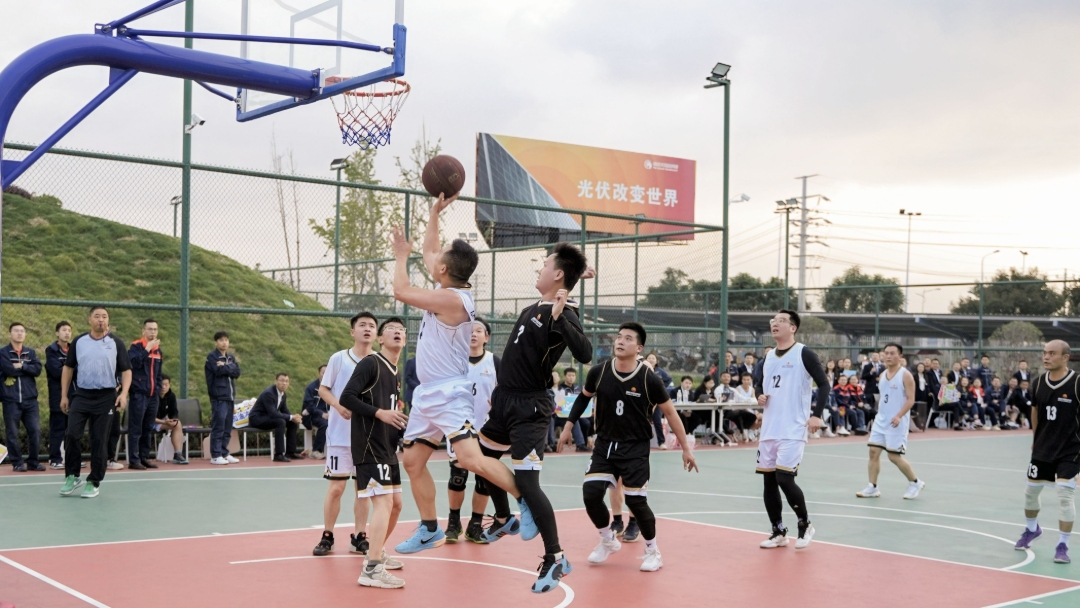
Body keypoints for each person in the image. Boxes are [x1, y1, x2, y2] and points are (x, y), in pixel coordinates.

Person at [389, 195, 541, 584]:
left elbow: (401, 290)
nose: (433, 258)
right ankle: (429, 528)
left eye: (438, 259)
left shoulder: (452, 299)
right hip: (427, 394)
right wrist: (434, 213)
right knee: (412, 462)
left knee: (471, 459)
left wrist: (400, 256)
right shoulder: (446, 284)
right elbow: (430, 251)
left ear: (444, 270)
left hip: (449, 393)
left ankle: (526, 504)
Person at [475, 240, 594, 593]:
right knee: (478, 461)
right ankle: (503, 517)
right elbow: (567, 278)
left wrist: (561, 316)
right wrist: (577, 276)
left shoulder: (563, 313)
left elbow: (585, 353)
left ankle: (555, 556)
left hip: (530, 407)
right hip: (505, 401)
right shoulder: (535, 305)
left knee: (528, 484)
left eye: (544, 265)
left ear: (557, 275)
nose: (539, 269)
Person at [559, 322, 698, 572]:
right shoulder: (599, 372)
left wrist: (686, 448)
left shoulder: (648, 379)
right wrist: (569, 425)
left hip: (635, 447)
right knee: (590, 493)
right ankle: (607, 539)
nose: (620, 341)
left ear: (639, 348)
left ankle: (653, 551)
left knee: (636, 502)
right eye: (619, 337)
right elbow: (583, 398)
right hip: (605, 444)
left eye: (628, 338)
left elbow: (670, 413)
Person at [340, 317, 409, 588]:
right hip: (369, 444)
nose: (397, 332)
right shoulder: (371, 363)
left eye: (401, 330)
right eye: (391, 329)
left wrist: (401, 432)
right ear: (380, 338)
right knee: (384, 503)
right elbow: (347, 397)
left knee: (396, 504)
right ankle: (372, 569)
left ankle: (376, 552)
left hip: (387, 446)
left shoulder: (395, 371)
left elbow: (391, 411)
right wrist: (379, 413)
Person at [755, 309, 828, 550]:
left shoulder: (803, 353)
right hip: (769, 429)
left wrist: (816, 415)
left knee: (784, 479)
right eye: (773, 320)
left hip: (793, 428)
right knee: (769, 481)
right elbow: (759, 383)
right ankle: (778, 531)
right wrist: (759, 395)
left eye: (781, 321)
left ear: (793, 327)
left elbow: (824, 384)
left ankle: (805, 524)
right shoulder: (768, 357)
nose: (775, 323)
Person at [312, 312, 378, 558]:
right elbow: (323, 389)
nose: (367, 329)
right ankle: (327, 535)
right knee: (337, 488)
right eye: (362, 325)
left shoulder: (379, 362)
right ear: (353, 331)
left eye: (371, 326)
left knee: (363, 489)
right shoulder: (339, 358)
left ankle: (359, 536)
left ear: (376, 333)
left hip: (367, 437)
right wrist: (338, 406)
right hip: (340, 435)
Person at [1015, 340, 1079, 564]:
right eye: (1044, 353)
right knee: (1030, 493)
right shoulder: (1038, 382)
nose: (1046, 357)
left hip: (1071, 450)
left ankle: (1063, 545)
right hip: (1043, 448)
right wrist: (1035, 438)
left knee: (1064, 494)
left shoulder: (1077, 383)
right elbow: (1034, 411)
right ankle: (1032, 529)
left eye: (1052, 353)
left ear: (1065, 357)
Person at [59, 306, 132, 498]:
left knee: (99, 440)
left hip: (106, 397)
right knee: (72, 434)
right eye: (97, 316)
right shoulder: (79, 341)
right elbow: (68, 368)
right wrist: (64, 395)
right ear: (89, 320)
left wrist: (123, 394)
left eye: (105, 316)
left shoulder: (116, 343)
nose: (101, 320)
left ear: (108, 321)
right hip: (82, 395)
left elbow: (126, 370)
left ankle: (94, 481)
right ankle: (72, 476)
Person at [446, 316, 501, 544]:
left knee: (484, 479)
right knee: (458, 477)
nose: (473, 334)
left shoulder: (494, 362)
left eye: (478, 330)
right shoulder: (454, 361)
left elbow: (506, 390)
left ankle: (475, 525)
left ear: (486, 337)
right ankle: (453, 522)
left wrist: (499, 406)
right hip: (458, 425)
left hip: (487, 429)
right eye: (469, 330)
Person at [855, 343, 925, 500]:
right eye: (886, 353)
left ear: (900, 356)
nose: (888, 356)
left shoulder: (905, 375)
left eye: (892, 353)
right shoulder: (882, 374)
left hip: (897, 422)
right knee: (873, 452)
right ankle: (872, 487)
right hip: (881, 421)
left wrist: (899, 415)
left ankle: (915, 482)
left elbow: (911, 400)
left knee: (893, 456)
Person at [1, 322, 44, 471]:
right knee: (12, 433)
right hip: (11, 400)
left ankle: (33, 462)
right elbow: (8, 370)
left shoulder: (30, 352)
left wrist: (22, 366)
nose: (19, 333)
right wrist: (27, 368)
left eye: (22, 331)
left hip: (30, 400)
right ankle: (17, 463)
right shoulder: (3, 352)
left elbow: (37, 370)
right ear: (10, 334)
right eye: (16, 331)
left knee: (35, 431)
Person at [126, 319, 163, 470]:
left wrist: (158, 388)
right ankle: (134, 460)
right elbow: (133, 364)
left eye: (155, 329)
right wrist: (147, 349)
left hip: (153, 395)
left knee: (148, 427)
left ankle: (144, 457)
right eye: (150, 329)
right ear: (143, 331)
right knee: (136, 428)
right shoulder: (136, 346)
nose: (153, 332)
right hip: (139, 394)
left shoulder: (158, 351)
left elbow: (159, 373)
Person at [204, 331, 241, 465]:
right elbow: (218, 371)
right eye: (221, 340)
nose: (224, 342)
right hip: (218, 396)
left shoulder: (230, 357)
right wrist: (230, 368)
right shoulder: (212, 357)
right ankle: (216, 455)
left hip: (230, 397)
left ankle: (224, 452)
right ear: (216, 342)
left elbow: (237, 372)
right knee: (218, 426)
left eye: (226, 340)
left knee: (227, 427)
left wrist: (226, 366)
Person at [249, 373, 303, 462]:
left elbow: (284, 410)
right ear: (275, 381)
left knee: (292, 423)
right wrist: (291, 416)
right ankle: (278, 454)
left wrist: (294, 418)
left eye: (287, 381)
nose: (284, 383)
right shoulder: (268, 393)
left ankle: (290, 452)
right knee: (280, 422)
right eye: (282, 381)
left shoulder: (283, 394)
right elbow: (273, 414)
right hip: (257, 419)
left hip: (268, 418)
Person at [45, 321, 75, 469]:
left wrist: (69, 370)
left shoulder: (74, 350)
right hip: (58, 395)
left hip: (74, 395)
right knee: (57, 428)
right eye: (64, 330)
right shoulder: (51, 351)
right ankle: (55, 459)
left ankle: (71, 458)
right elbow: (56, 372)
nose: (67, 333)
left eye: (69, 330)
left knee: (73, 429)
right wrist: (71, 370)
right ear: (57, 333)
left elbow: (81, 370)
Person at [155, 374, 188, 464]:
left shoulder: (171, 396)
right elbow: (149, 417)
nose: (164, 387)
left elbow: (174, 412)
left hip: (162, 421)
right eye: (161, 384)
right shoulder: (152, 396)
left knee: (177, 423)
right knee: (176, 423)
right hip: (149, 422)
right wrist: (164, 422)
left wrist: (173, 420)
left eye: (166, 384)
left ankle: (177, 454)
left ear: (169, 385)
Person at [302, 365, 329, 459]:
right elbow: (309, 405)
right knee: (325, 424)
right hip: (311, 415)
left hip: (328, 415)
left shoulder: (332, 387)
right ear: (319, 374)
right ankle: (316, 451)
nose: (325, 375)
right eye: (323, 372)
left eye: (328, 372)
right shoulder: (311, 387)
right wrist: (321, 414)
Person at [732, 373, 761, 442]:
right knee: (753, 417)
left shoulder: (752, 389)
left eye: (748, 380)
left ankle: (751, 431)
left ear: (751, 380)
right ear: (741, 380)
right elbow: (740, 402)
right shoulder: (738, 389)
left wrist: (756, 411)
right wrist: (749, 411)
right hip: (741, 409)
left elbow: (754, 401)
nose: (746, 381)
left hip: (751, 409)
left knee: (761, 417)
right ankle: (748, 432)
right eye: (744, 380)